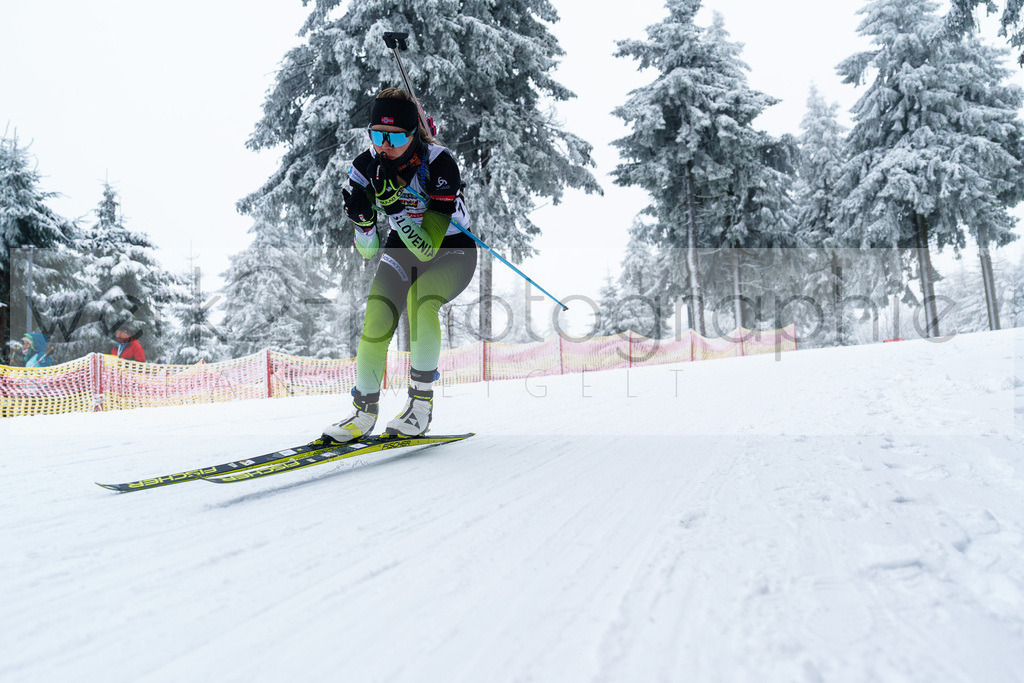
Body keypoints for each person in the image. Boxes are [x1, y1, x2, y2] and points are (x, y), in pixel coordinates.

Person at [321, 88, 477, 443]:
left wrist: (392, 208)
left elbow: (426, 250)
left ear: (413, 134)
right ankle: (363, 414)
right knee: (377, 314)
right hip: (401, 245)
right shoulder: (364, 167)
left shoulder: (439, 163)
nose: (383, 145)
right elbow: (368, 250)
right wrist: (363, 224)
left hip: (451, 249)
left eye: (393, 137)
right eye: (376, 134)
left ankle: (420, 409)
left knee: (421, 300)